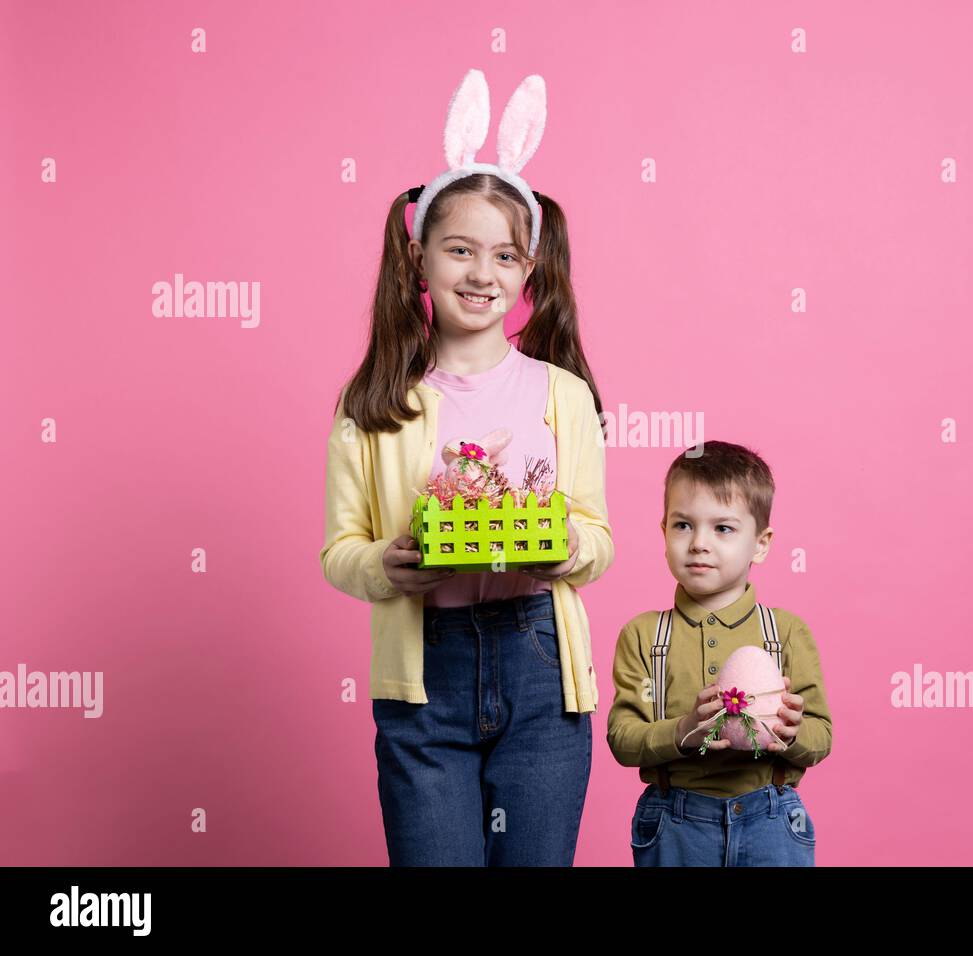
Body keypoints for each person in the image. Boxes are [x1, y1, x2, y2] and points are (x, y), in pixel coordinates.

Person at [320, 69, 613, 866]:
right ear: (419, 258)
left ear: (530, 272)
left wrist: (570, 551)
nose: (482, 274)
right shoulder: (376, 402)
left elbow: (596, 532)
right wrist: (384, 565)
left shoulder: (564, 395)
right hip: (424, 676)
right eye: (460, 250)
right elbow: (338, 549)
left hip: (541, 669)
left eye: (505, 256)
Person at [607, 441, 831, 866]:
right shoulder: (643, 634)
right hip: (676, 823)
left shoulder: (785, 632)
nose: (699, 544)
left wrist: (790, 734)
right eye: (683, 525)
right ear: (664, 531)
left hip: (770, 819)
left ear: (760, 544)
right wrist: (684, 730)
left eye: (723, 529)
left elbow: (821, 736)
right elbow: (622, 738)